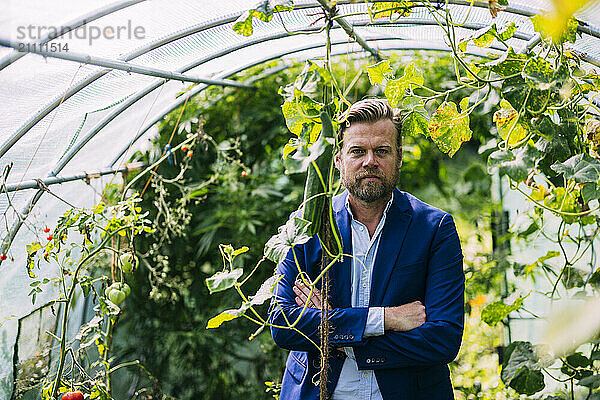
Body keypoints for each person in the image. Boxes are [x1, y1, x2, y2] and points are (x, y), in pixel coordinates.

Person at [269, 98, 465, 400]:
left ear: (399, 158)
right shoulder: (307, 224)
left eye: (382, 151)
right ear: (338, 160)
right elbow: (282, 325)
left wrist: (334, 327)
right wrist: (385, 319)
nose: (369, 161)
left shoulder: (434, 228)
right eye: (357, 151)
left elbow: (443, 339)